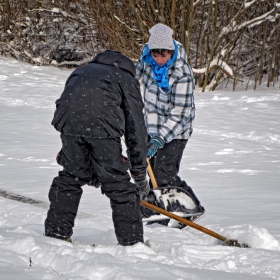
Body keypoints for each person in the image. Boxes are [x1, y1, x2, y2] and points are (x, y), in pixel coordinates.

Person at [45, 50, 150, 246]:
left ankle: (56, 235)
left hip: (70, 125)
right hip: (102, 127)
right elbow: (136, 129)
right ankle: (133, 245)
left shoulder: (81, 71)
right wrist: (138, 174)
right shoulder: (126, 79)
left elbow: (71, 108)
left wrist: (87, 169)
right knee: (119, 185)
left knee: (71, 177)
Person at [135, 23, 205, 228]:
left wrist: (160, 138)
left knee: (164, 173)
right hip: (151, 125)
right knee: (151, 172)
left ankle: (189, 208)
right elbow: (130, 79)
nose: (158, 58)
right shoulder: (145, 61)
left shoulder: (181, 72)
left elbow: (180, 114)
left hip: (176, 130)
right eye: (154, 53)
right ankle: (158, 209)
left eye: (163, 54)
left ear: (171, 50)